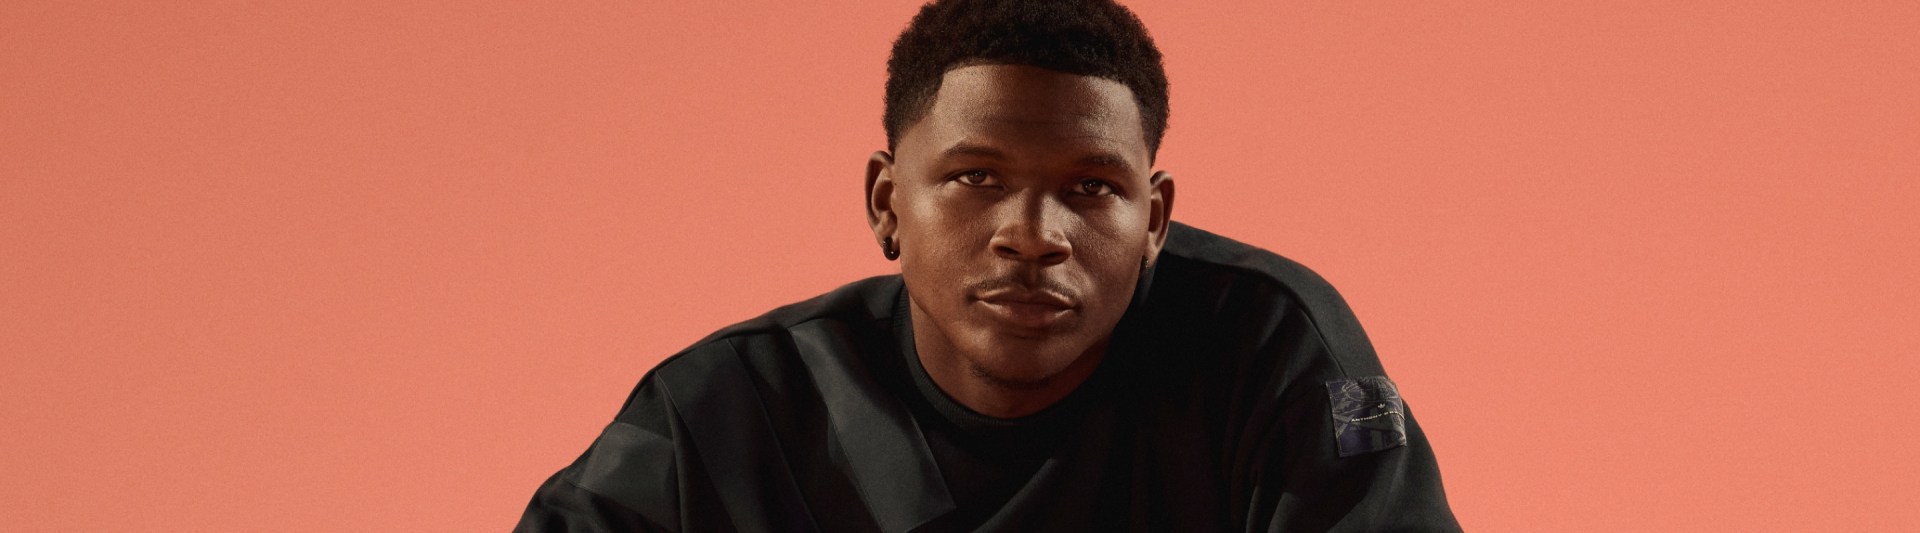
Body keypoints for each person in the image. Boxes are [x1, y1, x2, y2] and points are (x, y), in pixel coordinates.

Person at [517, 0, 1460, 531]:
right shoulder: (725, 416)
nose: (1033, 232)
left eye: (1093, 188)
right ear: (888, 202)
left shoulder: (1273, 357)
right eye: (975, 176)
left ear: (1155, 221)